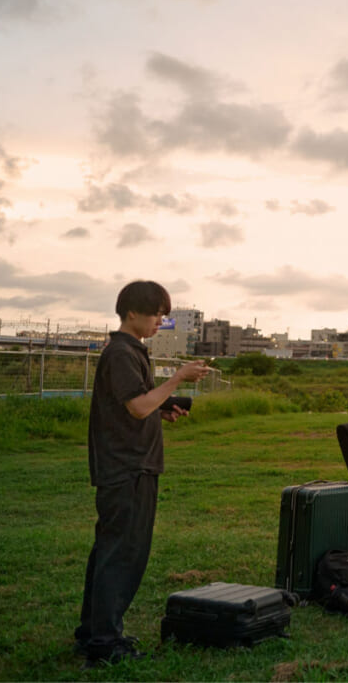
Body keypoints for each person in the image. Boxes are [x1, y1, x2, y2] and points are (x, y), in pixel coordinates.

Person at [74, 280, 212, 667]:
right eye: (156, 314)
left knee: (109, 552)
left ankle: (92, 633)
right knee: (122, 555)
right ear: (132, 312)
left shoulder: (129, 351)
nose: (160, 321)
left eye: (163, 315)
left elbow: (137, 405)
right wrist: (176, 380)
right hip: (129, 467)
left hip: (127, 465)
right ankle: (105, 642)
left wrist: (164, 406)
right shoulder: (121, 352)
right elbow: (136, 407)